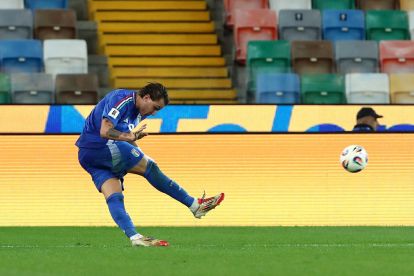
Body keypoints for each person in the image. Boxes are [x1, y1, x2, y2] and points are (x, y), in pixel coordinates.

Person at [76, 83, 225, 247]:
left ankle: (135, 237)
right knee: (150, 168)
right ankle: (195, 205)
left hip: (88, 156)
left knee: (114, 196)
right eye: (155, 107)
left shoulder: (140, 112)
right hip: (100, 146)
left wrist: (136, 146)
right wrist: (130, 139)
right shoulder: (121, 99)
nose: (154, 113)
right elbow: (105, 131)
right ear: (146, 97)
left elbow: (126, 136)